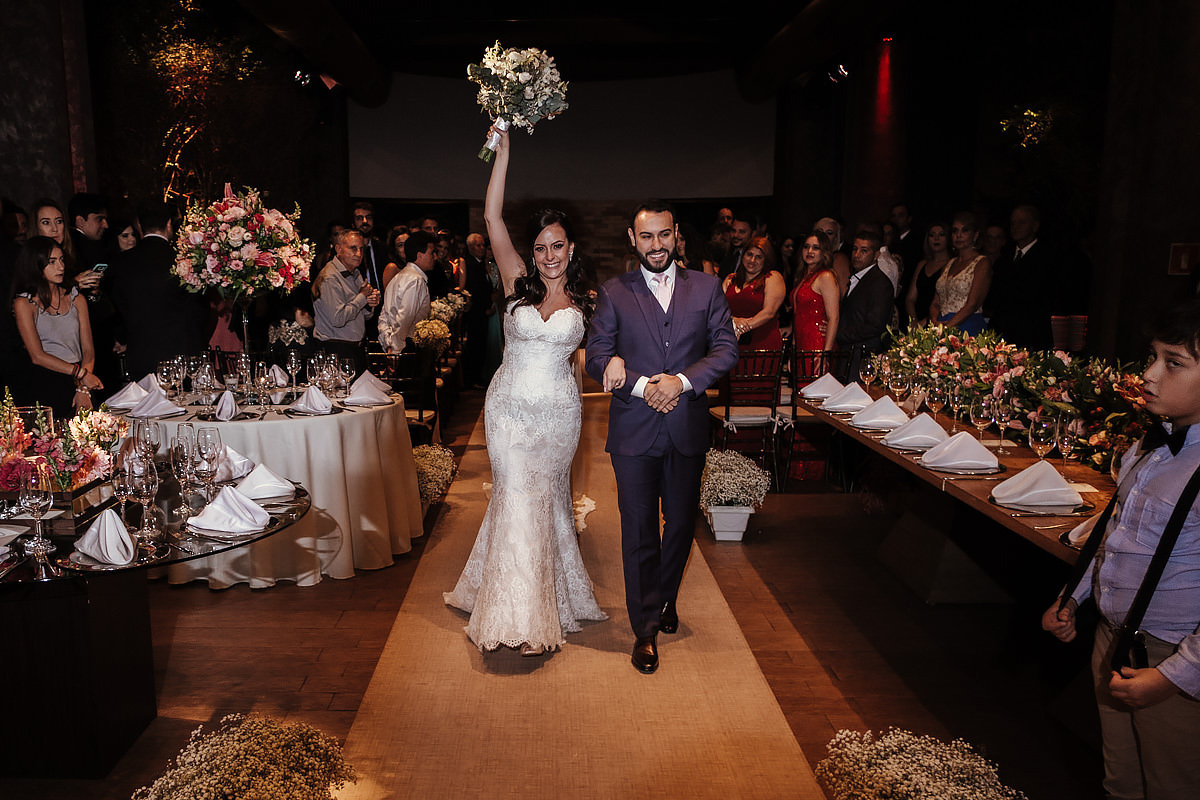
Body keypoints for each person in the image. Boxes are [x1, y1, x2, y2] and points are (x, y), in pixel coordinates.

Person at [444, 125, 606, 656]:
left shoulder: (586, 300)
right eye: (540, 247)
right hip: (508, 411)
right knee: (517, 496)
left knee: (545, 502)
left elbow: (597, 355)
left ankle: (540, 603)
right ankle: (521, 615)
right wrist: (504, 151)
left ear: (571, 247)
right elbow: (492, 218)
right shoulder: (517, 280)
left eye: (557, 246)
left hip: (558, 417)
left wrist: (618, 366)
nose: (549, 255)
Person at [1043, 299, 1200, 800]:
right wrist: (1074, 596)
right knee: (1121, 780)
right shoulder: (1149, 446)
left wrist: (1173, 677)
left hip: (1172, 657)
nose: (1149, 374)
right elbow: (1116, 537)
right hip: (1114, 635)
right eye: (1153, 356)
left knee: (1172, 784)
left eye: (1173, 362)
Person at [585, 200, 739, 674]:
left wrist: (682, 382)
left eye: (664, 235)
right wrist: (644, 386)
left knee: (681, 524)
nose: (657, 245)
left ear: (676, 236)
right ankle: (645, 628)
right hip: (634, 431)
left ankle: (666, 597)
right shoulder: (614, 292)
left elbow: (726, 349)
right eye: (647, 236)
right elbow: (597, 356)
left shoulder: (707, 287)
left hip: (686, 427)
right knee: (639, 531)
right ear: (633, 240)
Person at [106, 200, 208, 380]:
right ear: (169, 224)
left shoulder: (120, 263)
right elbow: (200, 311)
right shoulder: (185, 261)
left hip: (141, 356)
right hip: (182, 358)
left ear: (139, 226)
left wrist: (122, 337)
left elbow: (116, 308)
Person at [11, 236, 103, 417]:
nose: (61, 267)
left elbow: (88, 350)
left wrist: (83, 388)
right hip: (46, 381)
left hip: (80, 379)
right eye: (52, 262)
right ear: (36, 265)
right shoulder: (24, 303)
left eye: (61, 260)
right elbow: (37, 356)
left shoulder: (77, 298)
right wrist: (81, 374)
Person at [311, 229, 380, 375]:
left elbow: (363, 315)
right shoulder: (330, 277)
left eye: (361, 249)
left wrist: (370, 302)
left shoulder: (355, 273)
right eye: (353, 248)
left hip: (354, 349)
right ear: (338, 249)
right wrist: (362, 297)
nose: (359, 254)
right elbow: (338, 319)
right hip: (336, 351)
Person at [835, 229, 893, 379]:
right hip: (850, 353)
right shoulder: (860, 277)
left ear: (876, 255)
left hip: (862, 355)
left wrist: (837, 333)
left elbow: (875, 325)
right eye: (855, 249)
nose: (857, 254)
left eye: (864, 250)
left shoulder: (880, 283)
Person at [930, 211, 991, 334]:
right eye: (955, 231)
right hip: (942, 324)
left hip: (967, 324)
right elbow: (936, 302)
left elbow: (973, 304)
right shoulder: (949, 263)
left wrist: (947, 327)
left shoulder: (981, 263)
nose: (958, 235)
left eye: (964, 230)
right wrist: (935, 321)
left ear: (975, 235)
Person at [377, 230, 436, 353]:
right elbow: (404, 318)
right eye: (432, 253)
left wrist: (387, 344)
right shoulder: (416, 280)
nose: (435, 257)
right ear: (420, 255)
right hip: (407, 348)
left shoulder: (398, 277)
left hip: (396, 345)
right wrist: (395, 351)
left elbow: (384, 317)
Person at [722, 235, 784, 350]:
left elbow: (769, 312)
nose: (752, 260)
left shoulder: (772, 277)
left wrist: (741, 328)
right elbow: (718, 310)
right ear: (743, 255)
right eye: (749, 254)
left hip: (762, 345)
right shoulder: (730, 279)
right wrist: (734, 321)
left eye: (758, 257)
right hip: (731, 343)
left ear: (766, 260)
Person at [791, 231, 840, 352]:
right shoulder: (803, 276)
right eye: (806, 247)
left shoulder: (826, 276)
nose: (809, 251)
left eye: (816, 248)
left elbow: (834, 317)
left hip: (818, 344)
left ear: (824, 252)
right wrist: (793, 347)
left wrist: (825, 353)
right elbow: (798, 316)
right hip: (801, 343)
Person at [904, 221, 950, 328]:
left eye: (941, 234)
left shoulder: (951, 264)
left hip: (940, 320)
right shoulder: (922, 264)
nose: (936, 238)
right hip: (917, 320)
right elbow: (910, 299)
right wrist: (914, 321)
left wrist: (928, 320)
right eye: (932, 235)